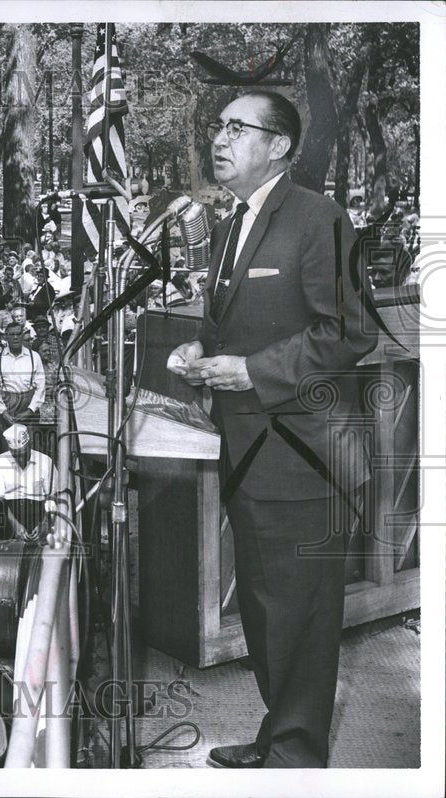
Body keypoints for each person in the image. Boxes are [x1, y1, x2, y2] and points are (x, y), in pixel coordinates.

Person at [166, 91, 376, 769]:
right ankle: (280, 735)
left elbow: (350, 330)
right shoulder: (232, 225)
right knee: (265, 615)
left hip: (305, 459)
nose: (218, 139)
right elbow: (239, 322)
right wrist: (199, 355)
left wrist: (252, 371)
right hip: (249, 456)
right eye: (216, 126)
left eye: (236, 128)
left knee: (301, 622)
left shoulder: (320, 218)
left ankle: (296, 759)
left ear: (279, 145)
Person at [0, 423, 55, 543]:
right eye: (16, 456)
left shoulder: (45, 461)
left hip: (39, 515)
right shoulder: (0, 462)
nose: (21, 460)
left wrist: (45, 523)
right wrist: (15, 525)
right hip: (10, 516)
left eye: (24, 455)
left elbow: (52, 497)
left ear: (30, 445)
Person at [0, 319, 47, 428]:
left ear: (22, 335)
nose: (15, 337)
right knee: (9, 442)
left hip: (29, 405)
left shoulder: (34, 356)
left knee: (31, 442)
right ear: (6, 337)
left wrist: (30, 410)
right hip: (8, 406)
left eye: (18, 334)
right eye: (11, 334)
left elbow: (41, 387)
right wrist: (4, 412)